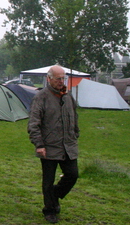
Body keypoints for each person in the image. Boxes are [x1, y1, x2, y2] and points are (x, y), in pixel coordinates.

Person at [27, 65, 79, 224]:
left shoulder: (68, 96)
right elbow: (33, 124)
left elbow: (74, 116)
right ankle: (49, 210)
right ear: (49, 79)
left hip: (67, 146)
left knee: (72, 175)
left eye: (63, 78)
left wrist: (75, 133)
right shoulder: (41, 97)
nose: (61, 81)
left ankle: (55, 194)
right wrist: (39, 144)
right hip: (48, 146)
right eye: (58, 78)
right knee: (48, 181)